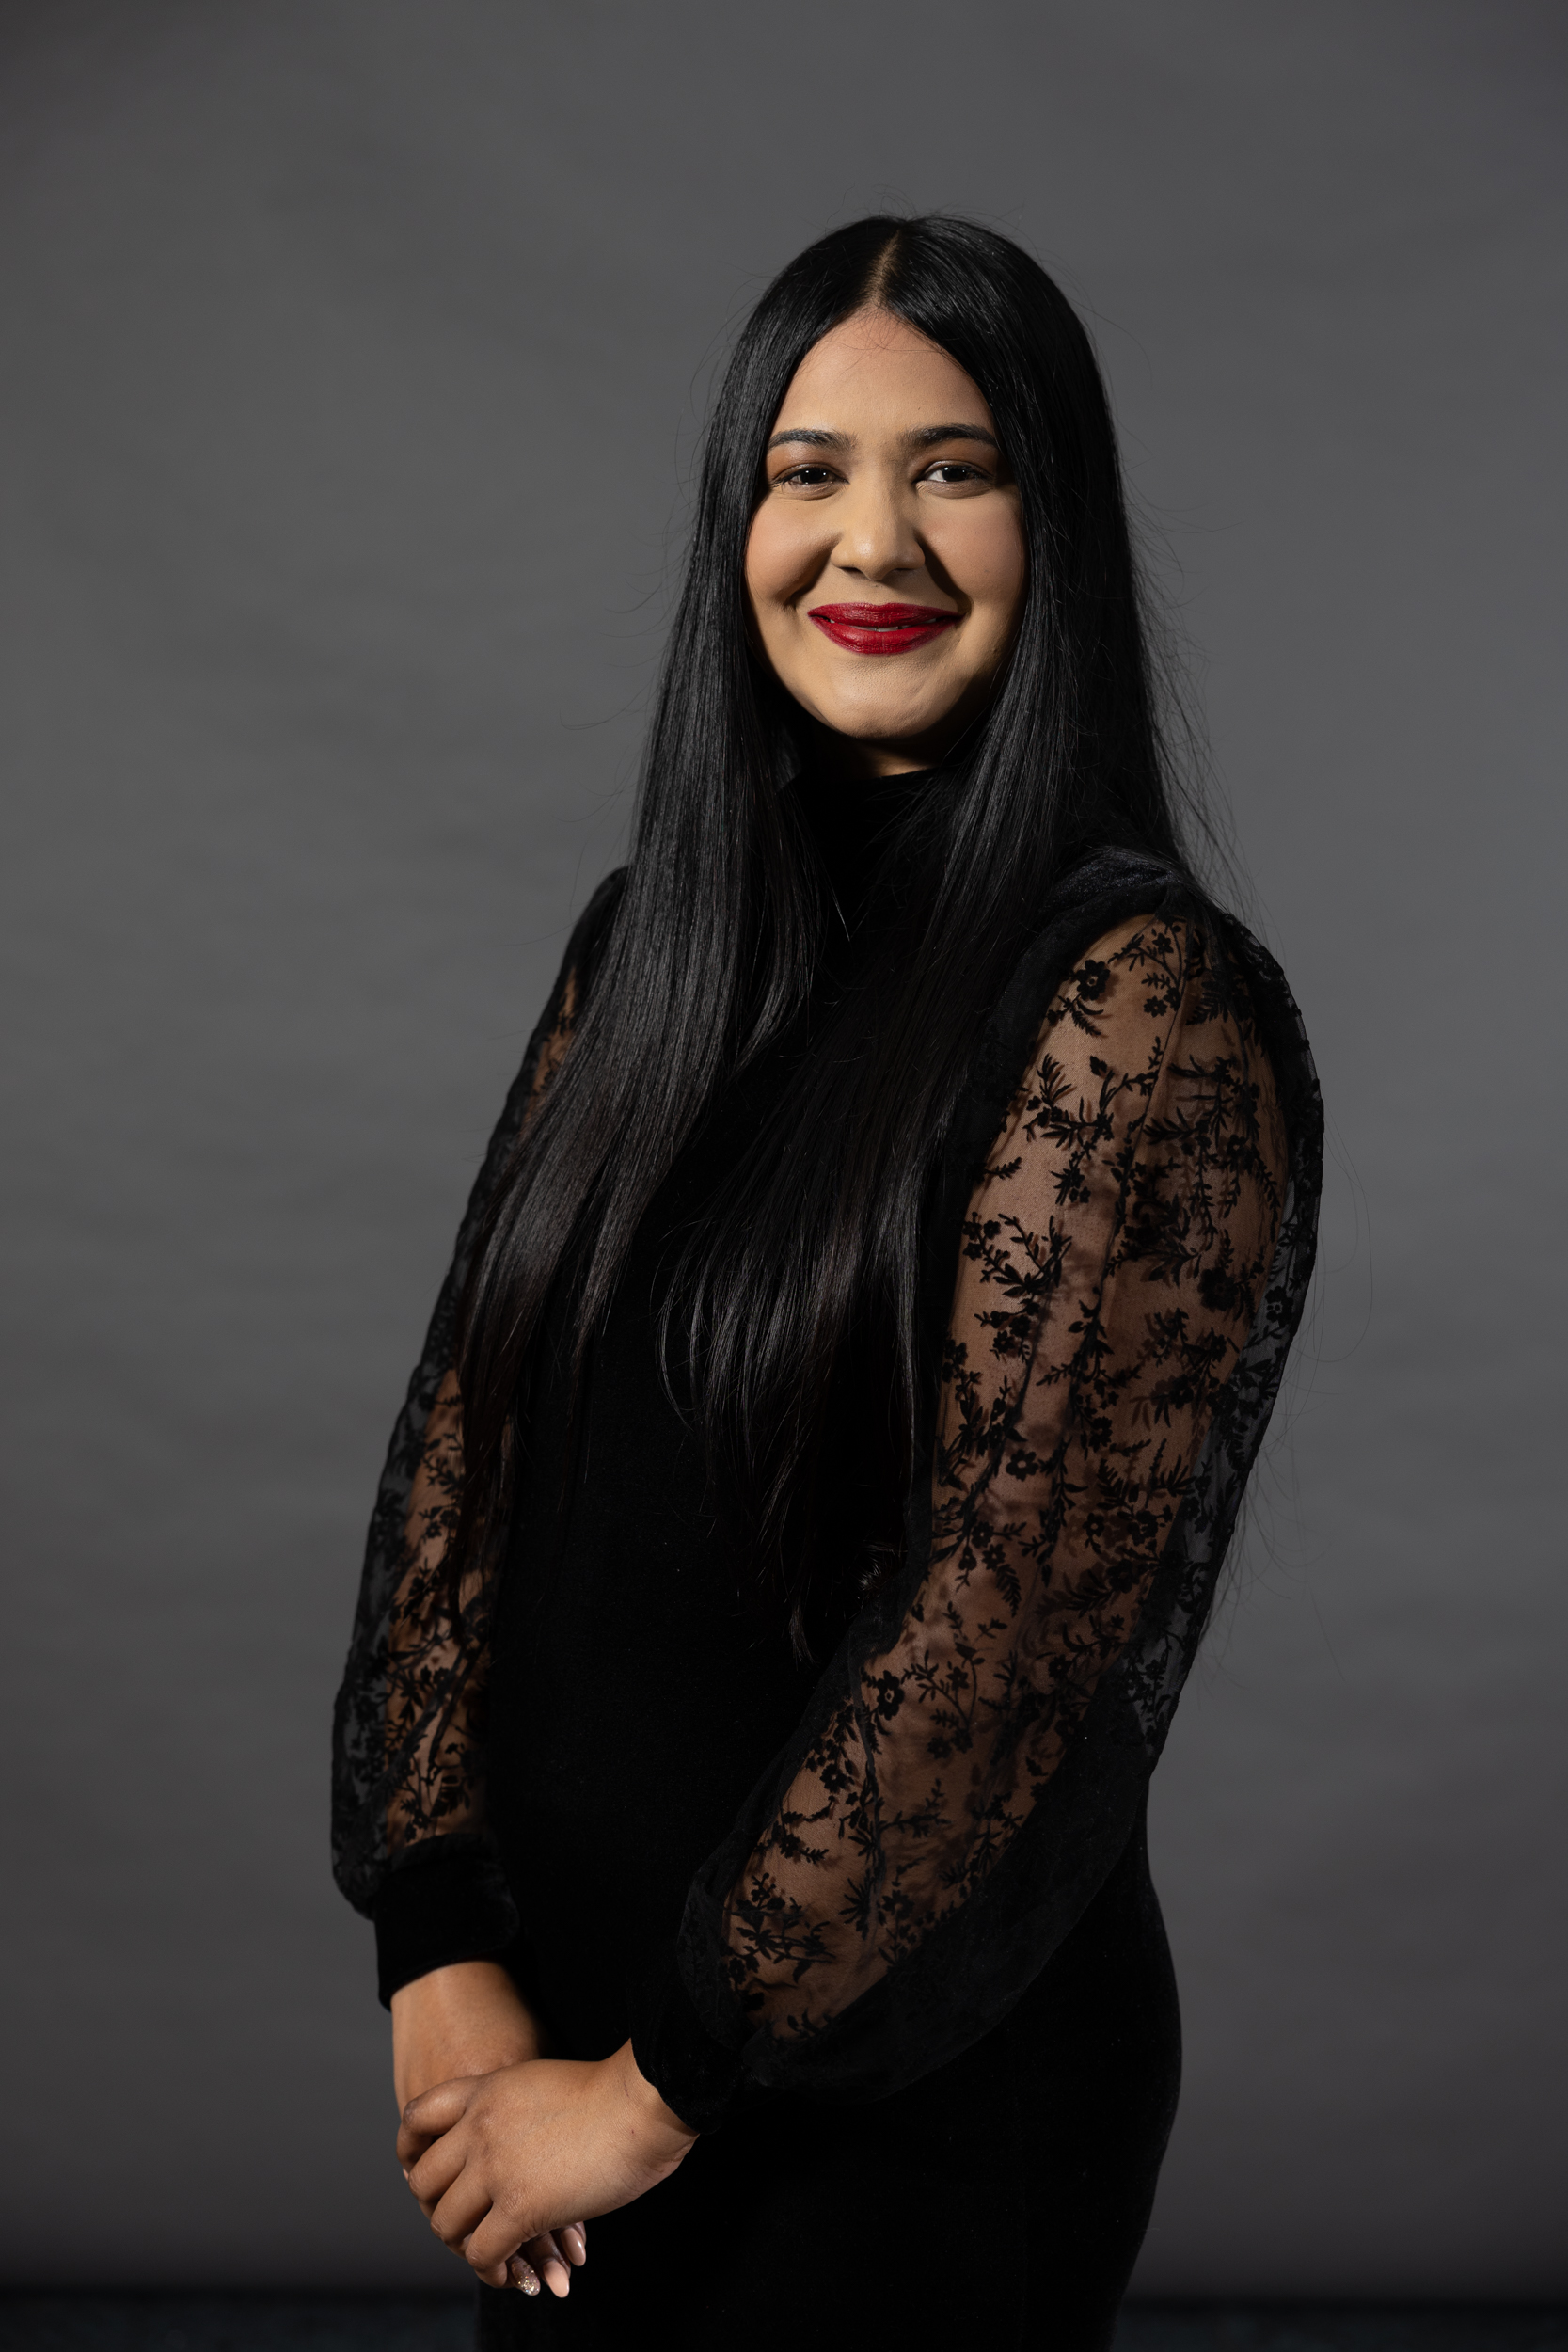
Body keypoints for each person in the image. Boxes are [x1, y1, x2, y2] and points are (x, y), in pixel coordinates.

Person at [331, 214, 1321, 2350]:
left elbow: (1002, 1635)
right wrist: (439, 1937)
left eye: (957, 468)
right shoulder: (649, 945)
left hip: (885, 2121)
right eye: (809, 471)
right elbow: (465, 1445)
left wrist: (650, 2091)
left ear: (1056, 525)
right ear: (739, 520)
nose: (873, 539)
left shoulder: (1138, 1002)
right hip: (557, 2070)